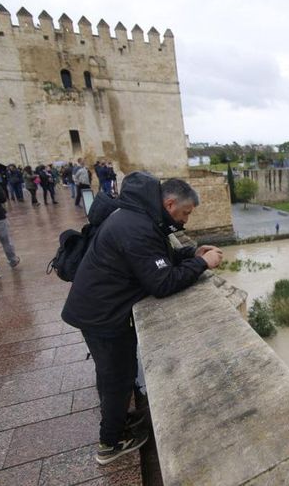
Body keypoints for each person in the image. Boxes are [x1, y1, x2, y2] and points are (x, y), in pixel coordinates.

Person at [61, 172, 223, 465]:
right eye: (185, 214)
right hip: (103, 315)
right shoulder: (137, 227)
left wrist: (190, 253)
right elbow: (162, 283)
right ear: (170, 204)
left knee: (115, 373)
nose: (186, 221)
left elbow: (156, 258)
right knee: (116, 378)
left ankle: (119, 419)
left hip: (101, 308)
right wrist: (202, 263)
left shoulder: (141, 215)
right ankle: (110, 444)